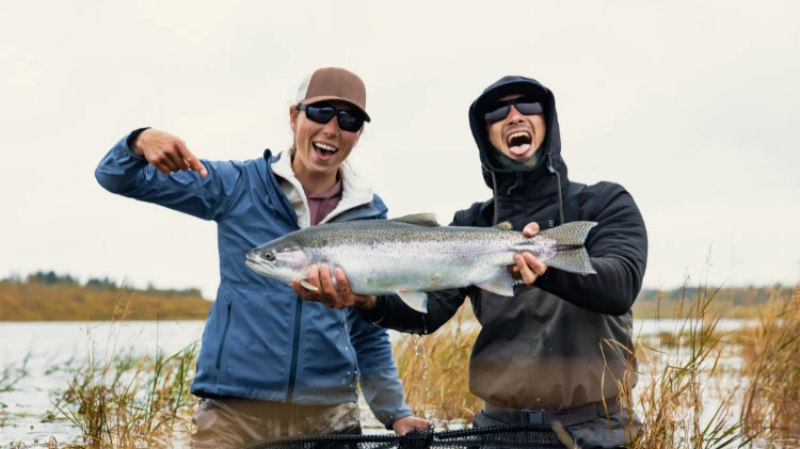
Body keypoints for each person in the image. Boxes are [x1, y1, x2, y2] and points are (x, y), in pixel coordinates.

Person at [295, 75, 648, 449]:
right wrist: (367, 300)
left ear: (548, 121)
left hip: (597, 432)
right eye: (498, 112)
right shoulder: (472, 223)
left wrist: (546, 271)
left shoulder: (604, 203)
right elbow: (428, 311)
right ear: (485, 134)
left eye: (527, 106)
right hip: (496, 432)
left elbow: (620, 286)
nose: (514, 116)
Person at [94, 67, 431, 448]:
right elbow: (115, 177)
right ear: (294, 116)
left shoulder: (371, 214)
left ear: (358, 134)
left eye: (348, 119)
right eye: (320, 113)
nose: (332, 129)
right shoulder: (237, 185)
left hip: (328, 414)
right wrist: (140, 140)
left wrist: (396, 412)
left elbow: (369, 332)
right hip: (231, 412)